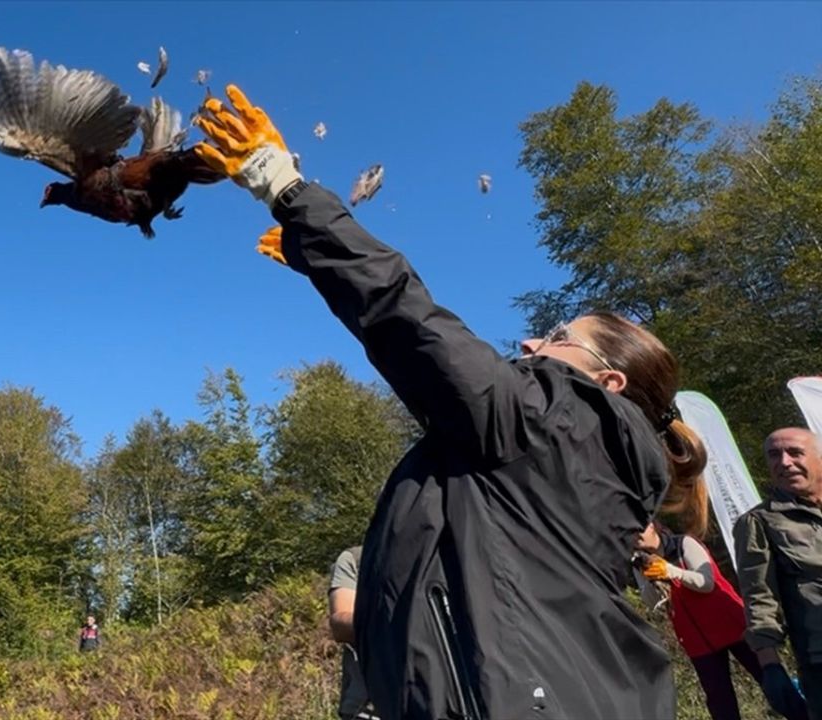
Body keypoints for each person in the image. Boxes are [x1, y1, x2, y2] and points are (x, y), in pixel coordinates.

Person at [194, 85, 709, 720]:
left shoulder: (560, 418)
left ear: (610, 384)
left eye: (556, 337)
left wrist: (285, 186)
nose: (529, 341)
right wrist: (313, 252)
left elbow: (409, 319)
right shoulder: (568, 454)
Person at [635, 522, 794, 720]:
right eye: (630, 534)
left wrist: (671, 571)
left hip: (732, 624)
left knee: (771, 681)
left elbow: (707, 583)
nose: (636, 536)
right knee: (720, 703)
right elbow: (652, 604)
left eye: (639, 530)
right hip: (697, 640)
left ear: (653, 527)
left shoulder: (684, 543)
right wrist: (649, 581)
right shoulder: (641, 562)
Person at [734, 427, 822, 719]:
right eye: (774, 455)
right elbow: (759, 597)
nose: (784, 462)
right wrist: (770, 665)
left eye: (795, 452)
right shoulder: (759, 522)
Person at [330, 546, 379, 720]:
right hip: (368, 708)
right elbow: (339, 625)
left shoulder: (451, 555)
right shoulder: (357, 559)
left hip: (447, 702)